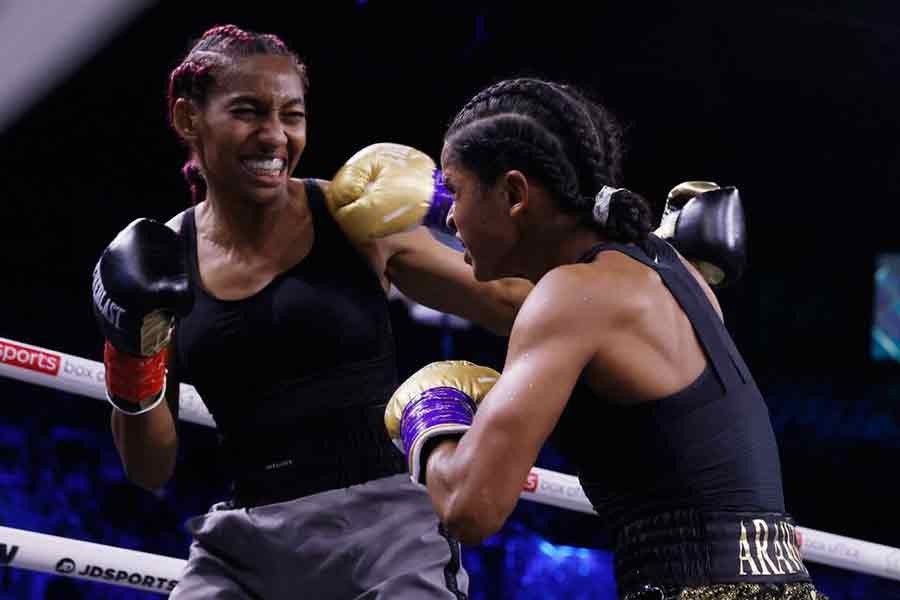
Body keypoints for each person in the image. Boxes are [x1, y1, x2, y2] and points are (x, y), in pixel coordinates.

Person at [89, 25, 741, 598]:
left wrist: (634, 266)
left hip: (387, 529)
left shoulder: (351, 218)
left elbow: (509, 305)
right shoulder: (155, 263)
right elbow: (150, 470)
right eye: (248, 111)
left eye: (292, 114)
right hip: (248, 542)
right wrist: (132, 357)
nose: (276, 135)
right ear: (187, 118)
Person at [384, 78, 828, 600]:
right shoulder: (670, 270)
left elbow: (468, 507)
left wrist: (430, 412)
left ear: (513, 195)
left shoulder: (572, 294)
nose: (451, 216)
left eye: (455, 192)